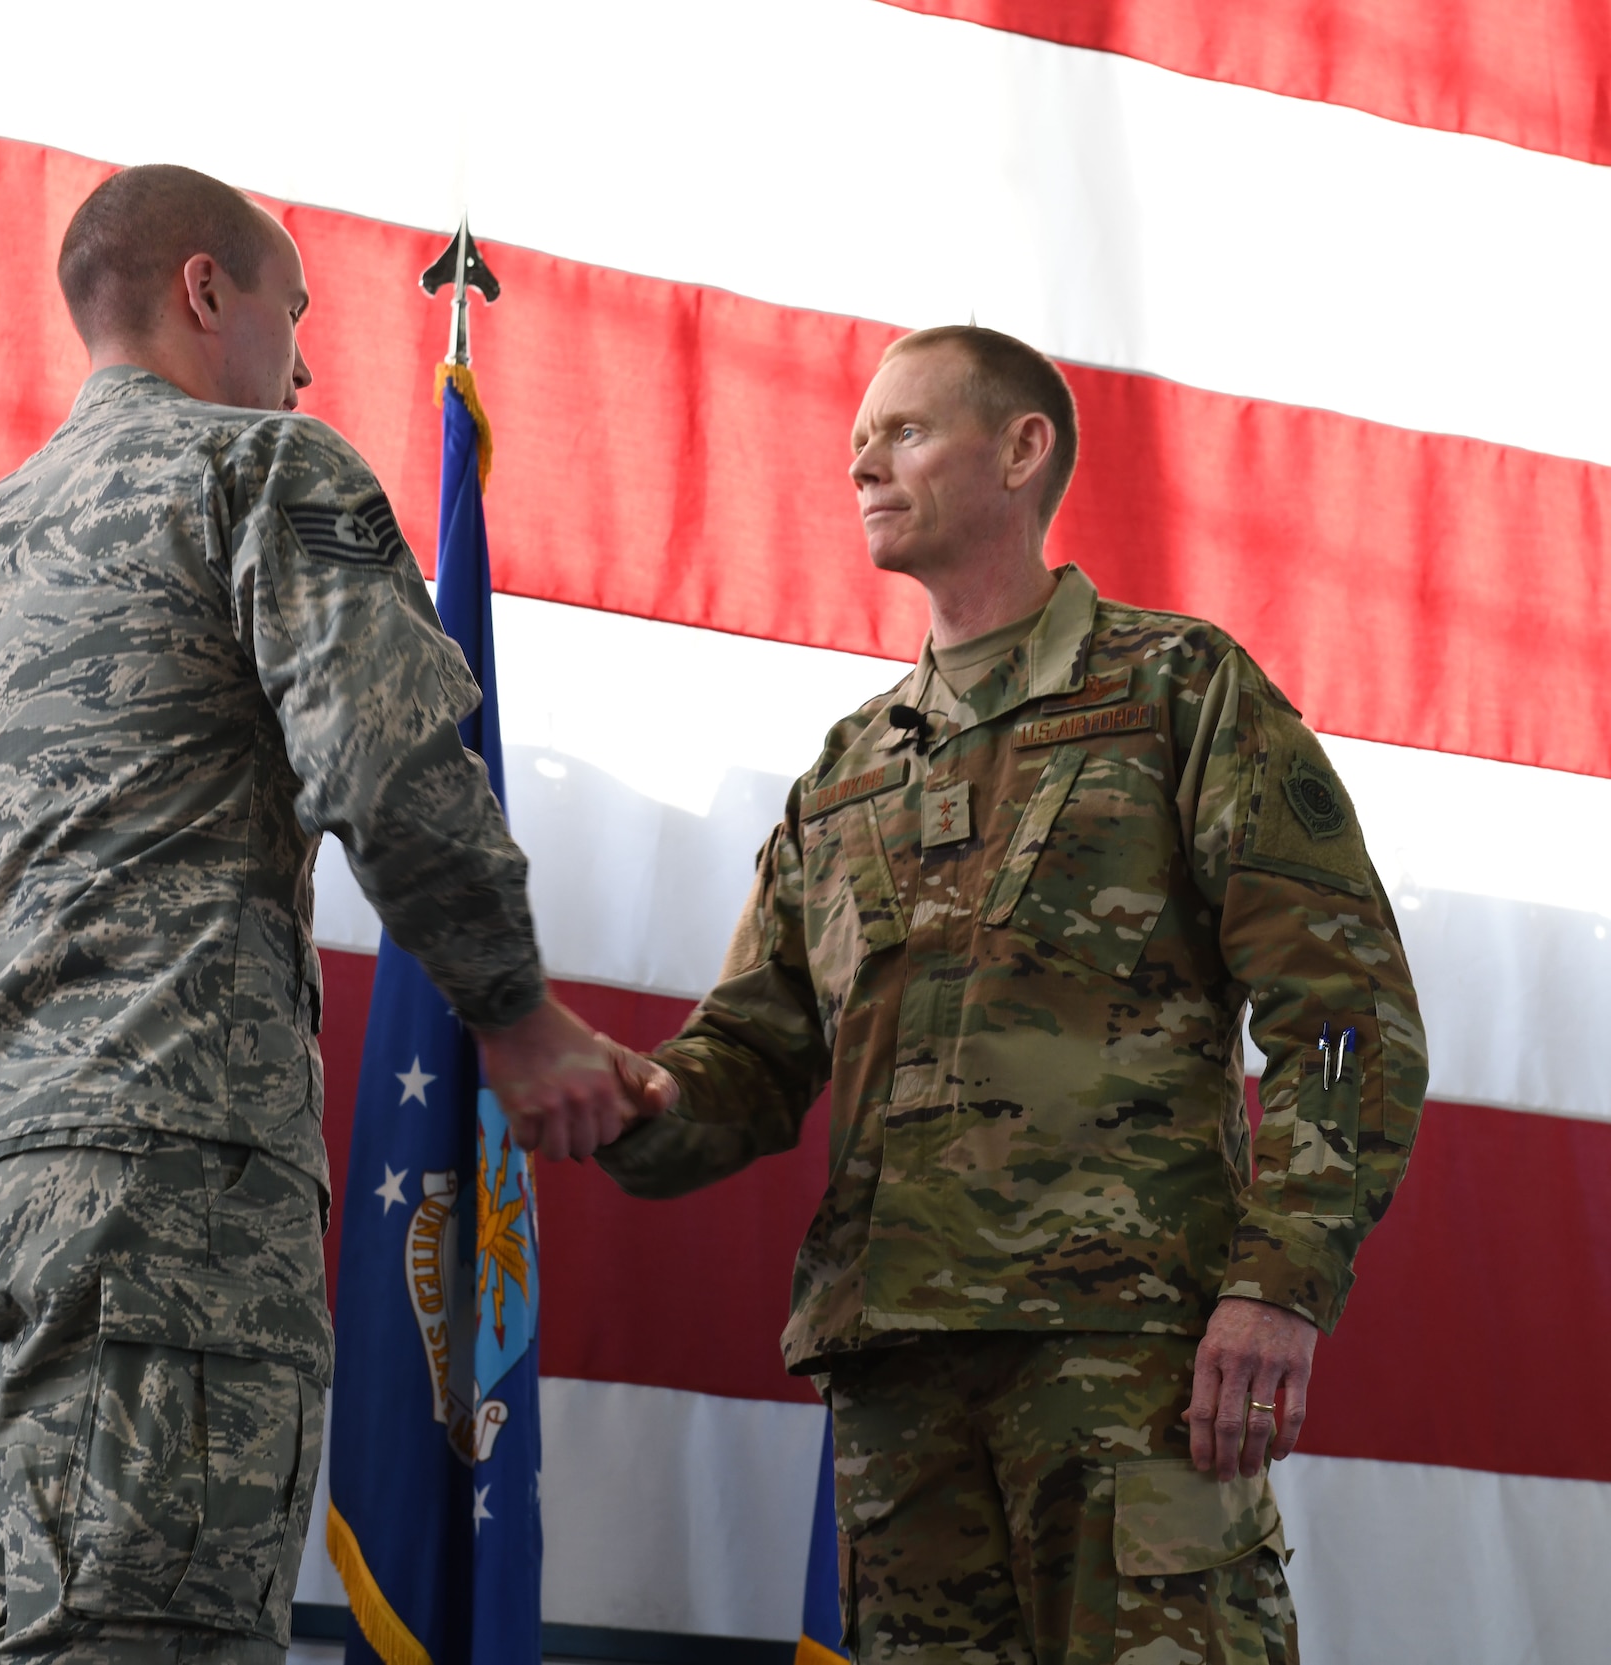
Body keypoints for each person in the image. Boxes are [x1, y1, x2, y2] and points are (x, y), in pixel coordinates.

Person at [0, 164, 632, 1664]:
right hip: (159, 1208)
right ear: (208, 290)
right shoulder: (265, 473)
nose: (309, 360)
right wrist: (519, 1020)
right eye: (295, 311)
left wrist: (3, 1094)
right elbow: (388, 761)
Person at [597, 326, 1428, 1664]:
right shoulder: (846, 773)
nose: (860, 457)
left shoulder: (1180, 692)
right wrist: (622, 1100)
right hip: (900, 1388)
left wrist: (1280, 1283)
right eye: (859, 437)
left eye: (904, 429)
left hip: (1127, 1365)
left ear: (1024, 448)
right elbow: (751, 1057)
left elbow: (1344, 1015)